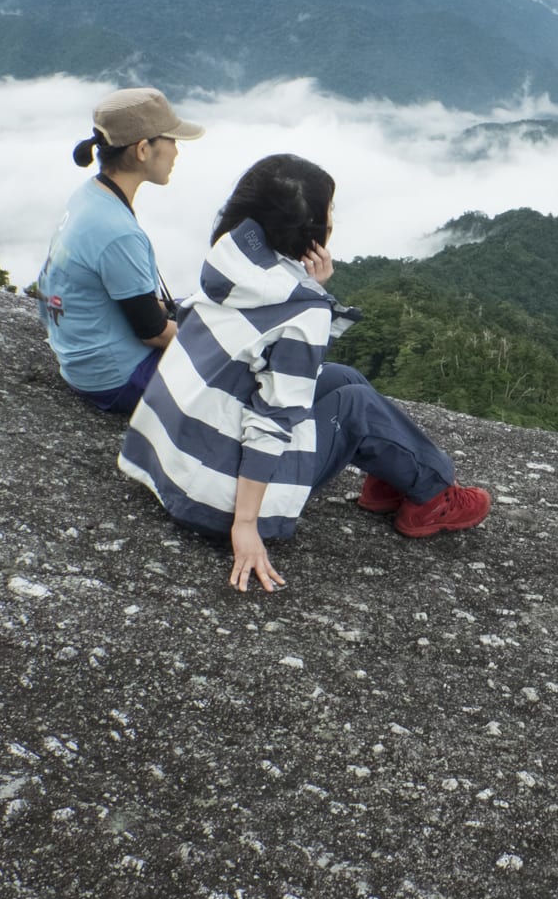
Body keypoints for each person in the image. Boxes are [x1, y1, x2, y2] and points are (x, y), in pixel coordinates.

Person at [118, 154, 490, 592]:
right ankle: (433, 495)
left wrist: (313, 293)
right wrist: (246, 526)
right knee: (354, 404)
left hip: (171, 459)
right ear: (311, 230)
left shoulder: (229, 260)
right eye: (329, 211)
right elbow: (273, 418)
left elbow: (273, 357)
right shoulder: (303, 309)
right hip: (213, 498)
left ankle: (394, 480)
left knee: (343, 377)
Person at [35, 87, 205, 413]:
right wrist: (216, 345)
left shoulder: (89, 195)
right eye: (172, 141)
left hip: (81, 358)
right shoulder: (117, 233)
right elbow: (152, 333)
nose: (176, 152)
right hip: (117, 378)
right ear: (143, 149)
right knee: (237, 369)